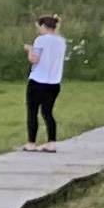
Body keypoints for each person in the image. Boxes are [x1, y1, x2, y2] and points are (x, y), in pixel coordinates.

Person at [24, 12, 66, 148]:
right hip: (54, 82)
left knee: (32, 112)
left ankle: (31, 142)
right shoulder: (61, 41)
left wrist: (30, 50)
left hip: (38, 80)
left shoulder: (41, 40)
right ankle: (51, 142)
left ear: (43, 26)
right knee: (47, 112)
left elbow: (34, 59)